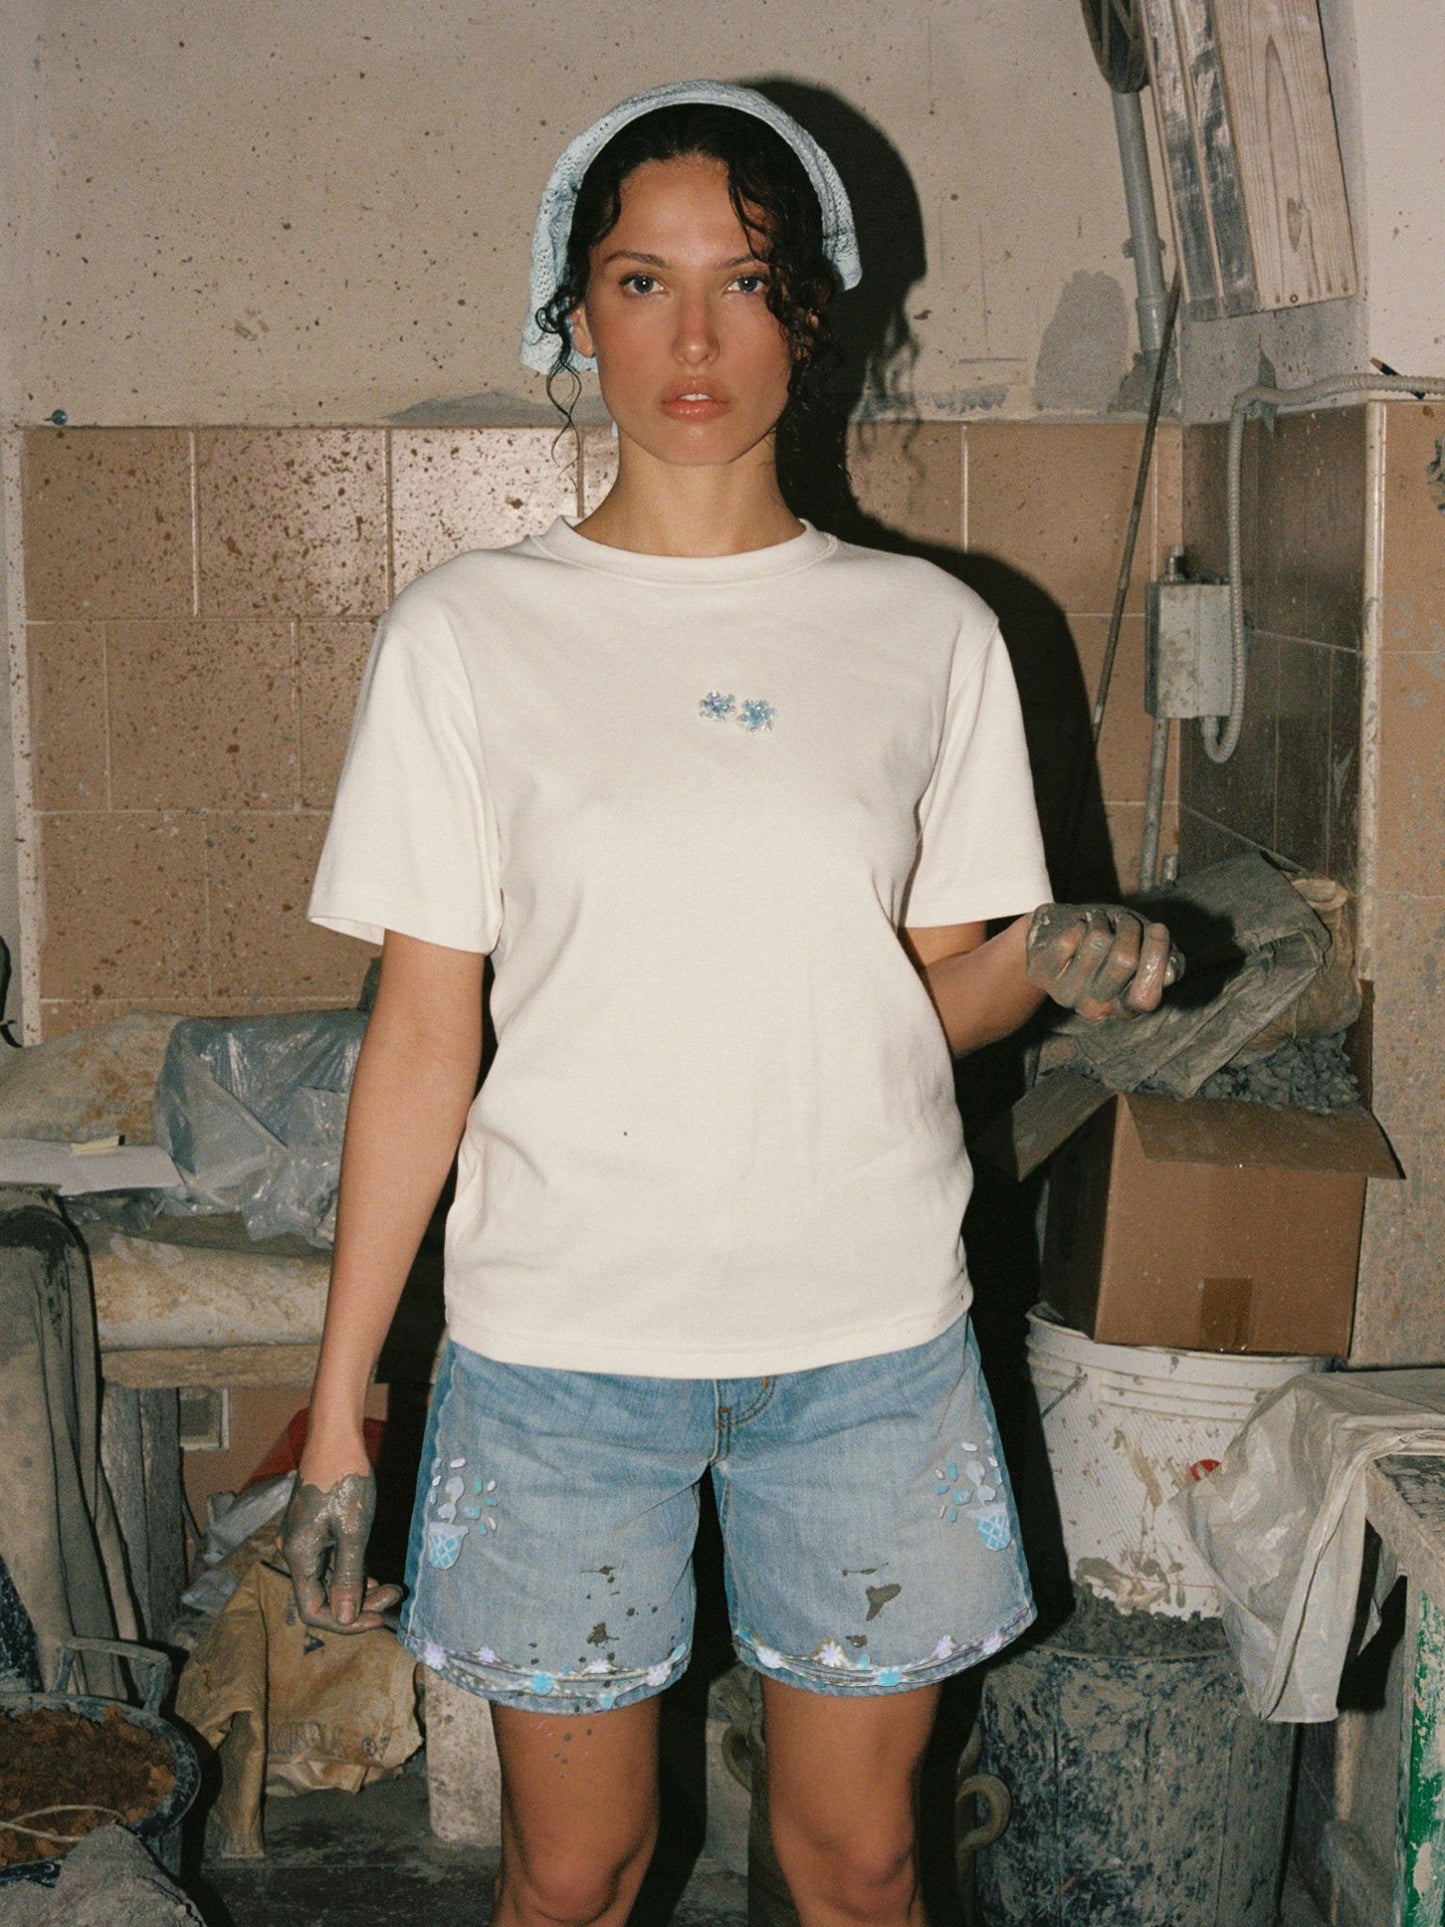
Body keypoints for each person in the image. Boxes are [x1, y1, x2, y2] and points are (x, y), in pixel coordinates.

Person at [282, 80, 1177, 1927]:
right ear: (574, 314)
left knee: (860, 1864)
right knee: (575, 1873)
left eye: (744, 284)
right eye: (640, 282)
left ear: (809, 316)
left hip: (866, 1344)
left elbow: (924, 1004)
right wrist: (344, 1399)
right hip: (560, 1353)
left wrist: (1047, 960)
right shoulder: (464, 634)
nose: (693, 339)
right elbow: (424, 1037)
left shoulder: (932, 632)